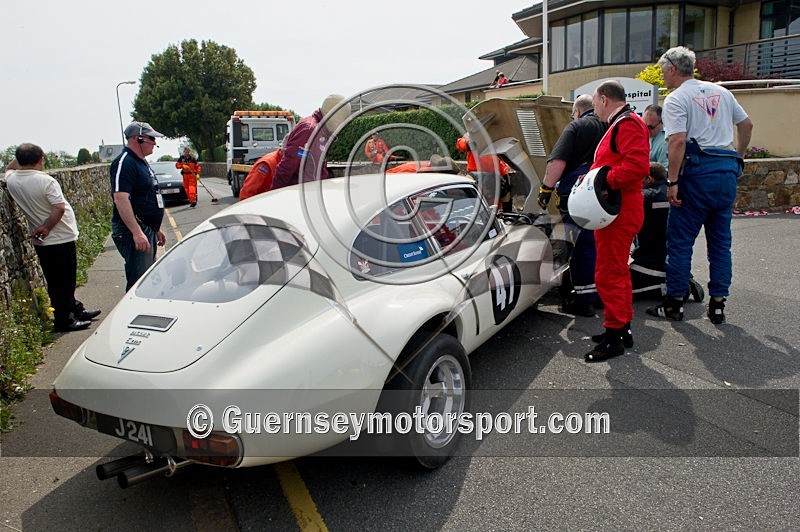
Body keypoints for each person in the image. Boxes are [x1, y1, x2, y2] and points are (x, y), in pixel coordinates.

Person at [647, 46, 753, 325]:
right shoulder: (722, 92)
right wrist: (738, 159)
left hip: (697, 172)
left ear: (671, 69)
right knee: (720, 242)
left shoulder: (676, 98)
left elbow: (677, 141)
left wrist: (672, 182)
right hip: (726, 170)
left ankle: (674, 304)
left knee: (680, 242)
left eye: (663, 71)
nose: (663, 76)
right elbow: (747, 125)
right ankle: (718, 305)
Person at [585, 80, 650, 362]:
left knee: (609, 273)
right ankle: (621, 327)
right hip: (619, 207)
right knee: (617, 272)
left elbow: (637, 167)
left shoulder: (627, 124)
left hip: (619, 209)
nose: (594, 109)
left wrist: (601, 182)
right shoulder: (626, 122)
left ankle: (614, 336)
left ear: (604, 99)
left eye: (596, 103)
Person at [4, 144, 101, 332]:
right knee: (63, 281)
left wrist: (21, 158)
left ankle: (74, 308)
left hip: (43, 240)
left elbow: (9, 168)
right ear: (40, 159)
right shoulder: (45, 180)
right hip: (59, 236)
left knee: (57, 279)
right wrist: (47, 227)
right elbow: (59, 207)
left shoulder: (12, 179)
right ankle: (64, 320)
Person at [537, 94, 607, 317]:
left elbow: (558, 161)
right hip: (606, 193)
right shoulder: (610, 126)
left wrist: (546, 190)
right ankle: (600, 295)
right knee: (601, 245)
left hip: (580, 194)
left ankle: (584, 298)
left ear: (577, 111)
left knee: (580, 244)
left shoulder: (577, 126)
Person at [631, 162, 705, 301]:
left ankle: (665, 289)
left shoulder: (645, 197)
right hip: (675, 261)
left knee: (619, 290)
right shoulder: (679, 194)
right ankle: (685, 280)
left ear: (649, 179)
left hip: (649, 262)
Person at [110, 121, 167, 291]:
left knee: (147, 277)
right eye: (151, 139)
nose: (154, 143)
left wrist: (156, 227)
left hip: (146, 228)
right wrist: (137, 233)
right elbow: (120, 198)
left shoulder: (140, 161)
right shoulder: (125, 162)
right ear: (138, 138)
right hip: (135, 230)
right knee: (139, 281)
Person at [270, 94, 351, 191]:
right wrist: (276, 195)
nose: (344, 123)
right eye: (344, 117)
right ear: (334, 114)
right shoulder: (310, 131)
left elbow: (318, 170)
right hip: (298, 195)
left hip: (309, 194)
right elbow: (288, 166)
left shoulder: (322, 132)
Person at [455, 133, 512, 211]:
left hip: (492, 177)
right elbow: (460, 143)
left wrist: (504, 174)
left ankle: (506, 216)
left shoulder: (495, 135)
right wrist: (468, 144)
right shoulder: (472, 135)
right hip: (476, 176)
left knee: (499, 202)